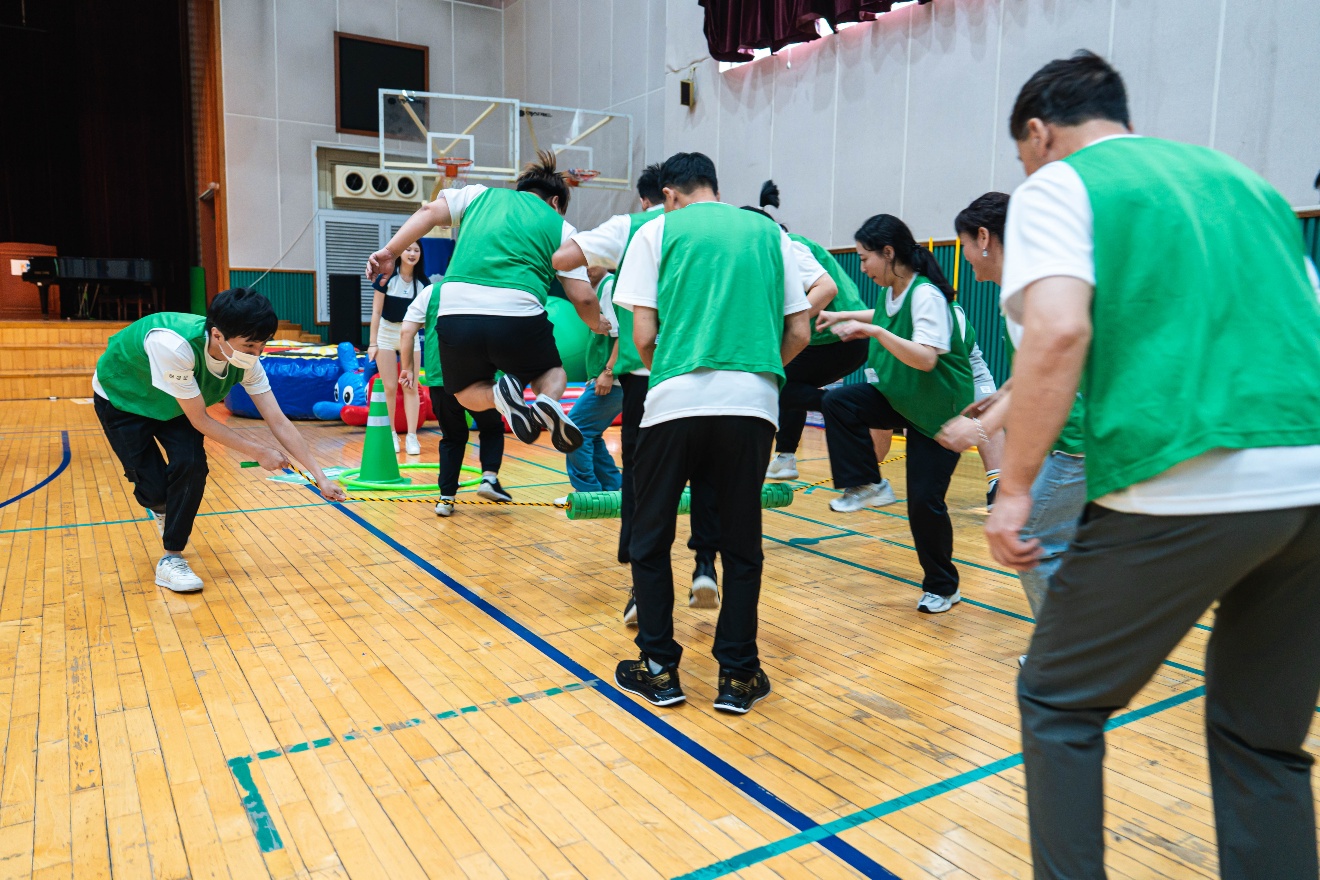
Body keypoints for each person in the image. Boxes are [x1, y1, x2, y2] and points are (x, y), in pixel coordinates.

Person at [990, 51, 1320, 879]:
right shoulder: (1246, 184)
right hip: (1312, 483)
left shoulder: (1062, 186)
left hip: (1181, 479)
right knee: (1263, 738)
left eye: (1023, 154)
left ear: (1039, 132)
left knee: (1059, 703)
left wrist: (1017, 486)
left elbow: (1059, 332)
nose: (1026, 167)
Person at [611, 152, 811, 713]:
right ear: (715, 188)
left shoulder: (657, 229)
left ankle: (658, 669)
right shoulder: (769, 233)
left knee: (651, 538)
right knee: (742, 545)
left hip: (674, 399)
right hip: (752, 406)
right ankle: (739, 676)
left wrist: (677, 363)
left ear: (670, 193)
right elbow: (799, 329)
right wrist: (757, 371)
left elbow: (644, 335)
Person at [552, 163, 723, 624]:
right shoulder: (732, 228)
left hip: (647, 378)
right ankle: (705, 564)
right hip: (712, 375)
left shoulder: (636, 227)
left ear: (658, 197)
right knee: (709, 474)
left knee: (645, 486)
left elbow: (564, 259)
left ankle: (640, 593)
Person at [92, 288, 347, 592]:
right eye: (249, 345)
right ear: (217, 336)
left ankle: (171, 559)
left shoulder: (248, 362)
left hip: (177, 404)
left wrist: (320, 477)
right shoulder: (174, 346)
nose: (256, 354)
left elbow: (278, 420)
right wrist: (259, 451)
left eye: (262, 345)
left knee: (192, 464)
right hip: (123, 398)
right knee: (155, 489)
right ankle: (162, 507)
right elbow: (201, 420)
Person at [366, 151, 606, 454]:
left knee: (465, 392)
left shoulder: (478, 195)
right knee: (552, 373)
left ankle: (498, 397)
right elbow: (582, 296)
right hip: (517, 314)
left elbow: (428, 214)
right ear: (555, 203)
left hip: (455, 314)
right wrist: (597, 324)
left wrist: (390, 251)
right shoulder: (560, 227)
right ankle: (546, 402)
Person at [935, 192, 1086, 634]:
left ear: (985, 237)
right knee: (1066, 547)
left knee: (1024, 539)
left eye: (963, 244)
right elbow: (1036, 365)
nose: (965, 258)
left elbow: (1054, 364)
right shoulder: (1035, 284)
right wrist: (999, 395)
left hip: (1075, 441)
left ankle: (1062, 654)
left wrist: (982, 426)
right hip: (1082, 440)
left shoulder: (1029, 289)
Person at [817, 215, 974, 614]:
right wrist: (845, 318)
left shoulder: (926, 296)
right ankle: (869, 484)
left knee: (925, 504)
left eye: (865, 258)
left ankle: (943, 585)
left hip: (940, 412)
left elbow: (924, 359)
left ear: (889, 253)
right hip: (902, 397)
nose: (862, 267)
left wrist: (873, 333)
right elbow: (887, 316)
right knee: (838, 402)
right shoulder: (895, 291)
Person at [738, 181, 870, 485]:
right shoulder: (783, 247)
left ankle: (842, 408)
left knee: (780, 380)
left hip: (841, 338)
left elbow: (827, 289)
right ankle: (785, 457)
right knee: (787, 378)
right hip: (836, 338)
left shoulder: (790, 247)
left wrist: (784, 323)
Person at [398, 281, 513, 517]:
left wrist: (407, 368)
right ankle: (489, 478)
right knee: (491, 427)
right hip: (480, 377)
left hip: (442, 377)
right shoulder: (489, 289)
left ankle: (446, 499)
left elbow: (406, 331)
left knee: (452, 437)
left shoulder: (432, 292)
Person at [561, 267, 624, 496]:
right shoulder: (595, 289)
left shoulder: (608, 287)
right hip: (604, 376)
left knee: (573, 430)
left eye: (589, 263)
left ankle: (587, 491)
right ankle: (613, 487)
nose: (584, 270)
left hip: (612, 379)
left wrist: (608, 372)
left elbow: (623, 335)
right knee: (590, 433)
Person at [368, 241, 427, 455]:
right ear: (400, 253)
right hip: (385, 333)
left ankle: (412, 437)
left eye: (416, 250)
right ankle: (391, 433)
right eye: (408, 249)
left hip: (409, 336)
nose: (412, 253)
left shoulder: (422, 284)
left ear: (421, 255)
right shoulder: (387, 278)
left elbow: (425, 317)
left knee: (411, 386)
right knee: (390, 387)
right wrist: (373, 343)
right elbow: (375, 312)